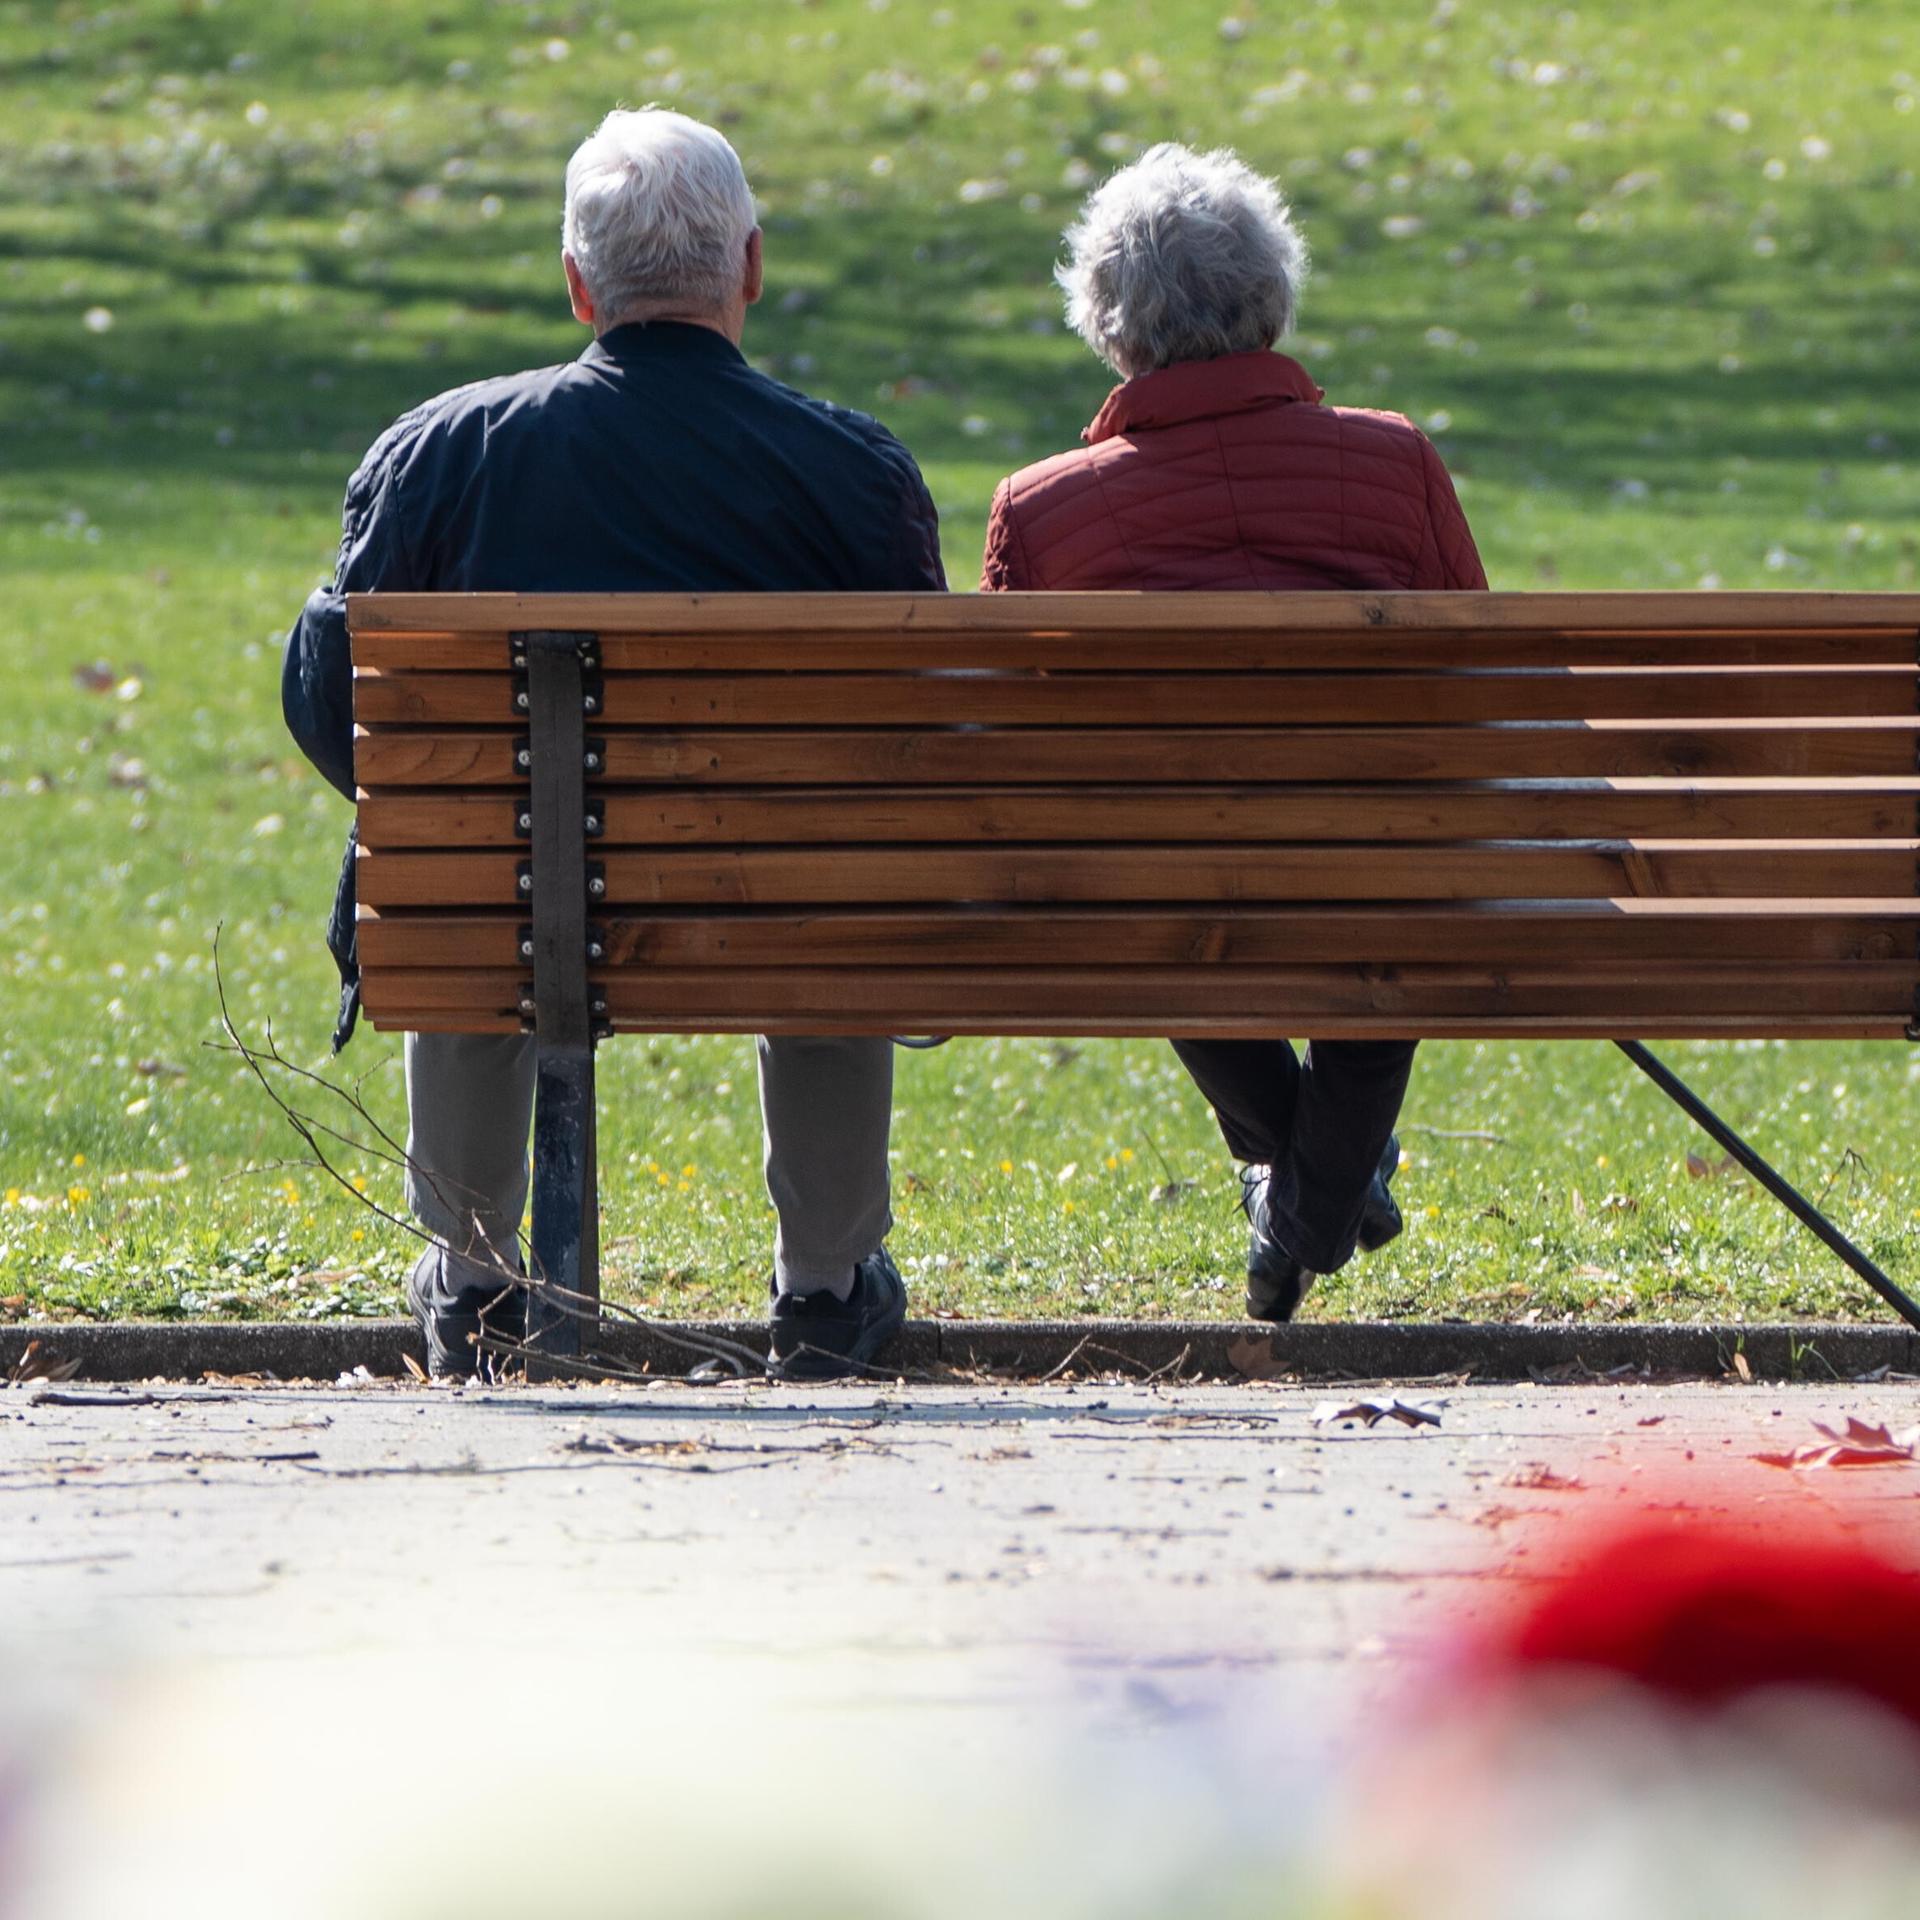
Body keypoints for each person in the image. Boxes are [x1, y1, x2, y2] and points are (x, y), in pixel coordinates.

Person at [282, 108, 945, 1380]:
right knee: (828, 883)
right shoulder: (851, 474)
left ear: (578, 284)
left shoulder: (439, 459)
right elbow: (918, 732)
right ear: (751, 267)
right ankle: (825, 1289)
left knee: (469, 874)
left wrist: (420, 811)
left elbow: (332, 695)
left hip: (499, 903)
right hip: (775, 907)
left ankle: (475, 1281)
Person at [979, 143, 1487, 1324]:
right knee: (1385, 913)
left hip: (1160, 904)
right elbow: (1473, 691)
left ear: (1111, 326)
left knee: (1146, 888)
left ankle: (1304, 1202)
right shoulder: (1396, 462)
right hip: (1380, 886)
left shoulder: (1042, 513)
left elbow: (1009, 754)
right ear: (1272, 300)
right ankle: (1317, 1197)